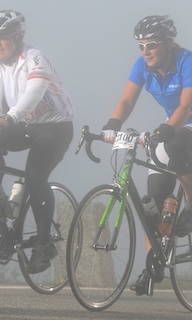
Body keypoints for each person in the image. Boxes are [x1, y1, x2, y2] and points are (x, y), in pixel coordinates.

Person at [102, 15, 192, 295]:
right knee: (152, 201)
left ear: (168, 44)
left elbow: (189, 105)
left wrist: (166, 129)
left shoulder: (188, 61)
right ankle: (152, 265)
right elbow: (126, 100)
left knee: (176, 141)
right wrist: (113, 124)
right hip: (175, 125)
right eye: (141, 46)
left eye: (152, 45)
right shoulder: (142, 66)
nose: (145, 51)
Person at [0, 10, 74, 273]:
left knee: (35, 176)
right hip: (24, 125)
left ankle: (44, 245)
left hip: (55, 127)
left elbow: (35, 89)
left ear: (18, 37)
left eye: (3, 38)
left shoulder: (35, 58)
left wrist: (11, 116)